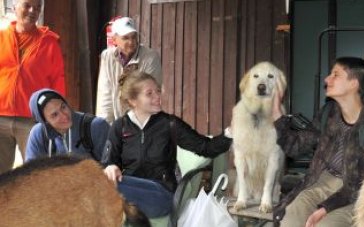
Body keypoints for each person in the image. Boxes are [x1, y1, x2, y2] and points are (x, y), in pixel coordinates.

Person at [101, 71, 232, 218]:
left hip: (161, 194)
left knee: (101, 185)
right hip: (131, 190)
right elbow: (109, 161)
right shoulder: (120, 127)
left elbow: (205, 147)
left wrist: (230, 133)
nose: (157, 97)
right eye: (149, 93)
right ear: (133, 101)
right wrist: (111, 166)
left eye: (157, 91)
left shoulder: (169, 124)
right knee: (104, 182)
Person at [272, 57, 364, 227]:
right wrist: (277, 115)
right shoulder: (328, 112)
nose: (327, 79)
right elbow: (295, 147)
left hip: (354, 194)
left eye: (335, 75)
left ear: (353, 84)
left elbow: (361, 183)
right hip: (321, 181)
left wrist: (325, 208)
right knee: (289, 219)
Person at [0, 0, 65, 173]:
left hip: (32, 120)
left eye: (37, 8)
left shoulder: (49, 43)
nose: (32, 11)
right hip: (0, 117)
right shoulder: (1, 38)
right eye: (27, 5)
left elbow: (57, 81)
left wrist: (57, 116)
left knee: (36, 175)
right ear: (14, 7)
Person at [96, 16, 162, 124]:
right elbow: (105, 96)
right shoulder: (107, 57)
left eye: (134, 37)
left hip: (144, 122)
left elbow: (149, 97)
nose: (131, 42)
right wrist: (105, 128)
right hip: (117, 124)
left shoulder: (150, 57)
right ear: (115, 39)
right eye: (125, 38)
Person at [25, 89, 109, 162]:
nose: (64, 116)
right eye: (54, 115)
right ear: (45, 122)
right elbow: (31, 174)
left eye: (63, 107)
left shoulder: (96, 127)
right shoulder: (38, 134)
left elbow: (113, 167)